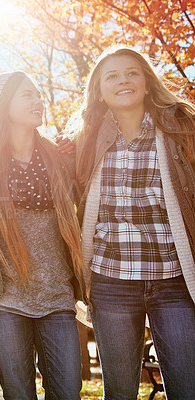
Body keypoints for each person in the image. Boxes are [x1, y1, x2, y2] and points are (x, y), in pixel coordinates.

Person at [70, 45, 195, 399]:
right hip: (111, 281)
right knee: (120, 392)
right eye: (112, 75)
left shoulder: (181, 128)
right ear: (99, 89)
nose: (122, 80)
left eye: (131, 73)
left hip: (173, 280)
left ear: (146, 81)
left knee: (188, 389)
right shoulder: (84, 140)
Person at [0, 71, 85, 400]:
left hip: (56, 294)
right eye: (26, 95)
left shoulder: (59, 156)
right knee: (18, 392)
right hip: (4, 296)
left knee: (67, 392)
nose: (38, 101)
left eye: (38, 94)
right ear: (5, 106)